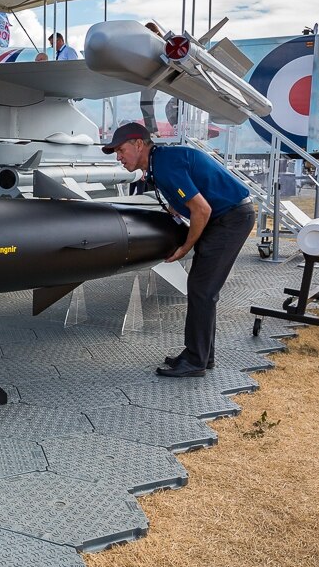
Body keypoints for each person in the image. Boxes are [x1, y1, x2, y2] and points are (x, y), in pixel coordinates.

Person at [104, 122, 254, 377]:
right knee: (202, 289)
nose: (119, 157)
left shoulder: (164, 165)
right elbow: (186, 199)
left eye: (120, 150)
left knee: (202, 290)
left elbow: (202, 210)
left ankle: (196, 361)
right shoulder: (161, 162)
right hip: (225, 216)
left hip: (230, 219)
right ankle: (202, 355)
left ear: (138, 144)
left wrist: (185, 247)